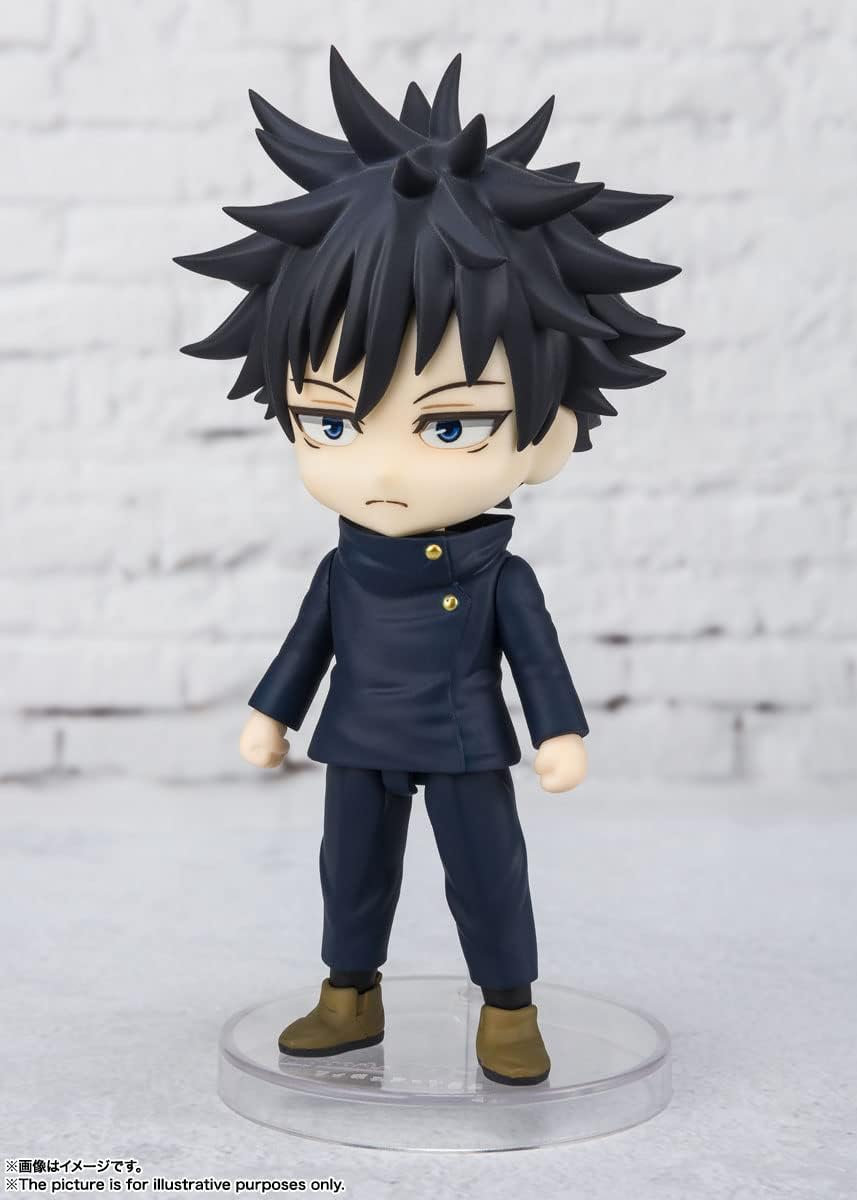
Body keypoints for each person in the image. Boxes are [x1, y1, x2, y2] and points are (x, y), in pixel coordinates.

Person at [175, 45, 682, 1085]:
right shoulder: (345, 565)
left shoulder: (498, 575)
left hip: (461, 741)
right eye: (328, 421)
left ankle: (508, 1008)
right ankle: (346, 994)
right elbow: (307, 645)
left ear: (547, 437)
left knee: (485, 875)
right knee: (350, 870)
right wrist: (271, 714)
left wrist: (559, 734)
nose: (383, 469)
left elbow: (536, 661)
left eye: (450, 427)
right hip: (358, 736)